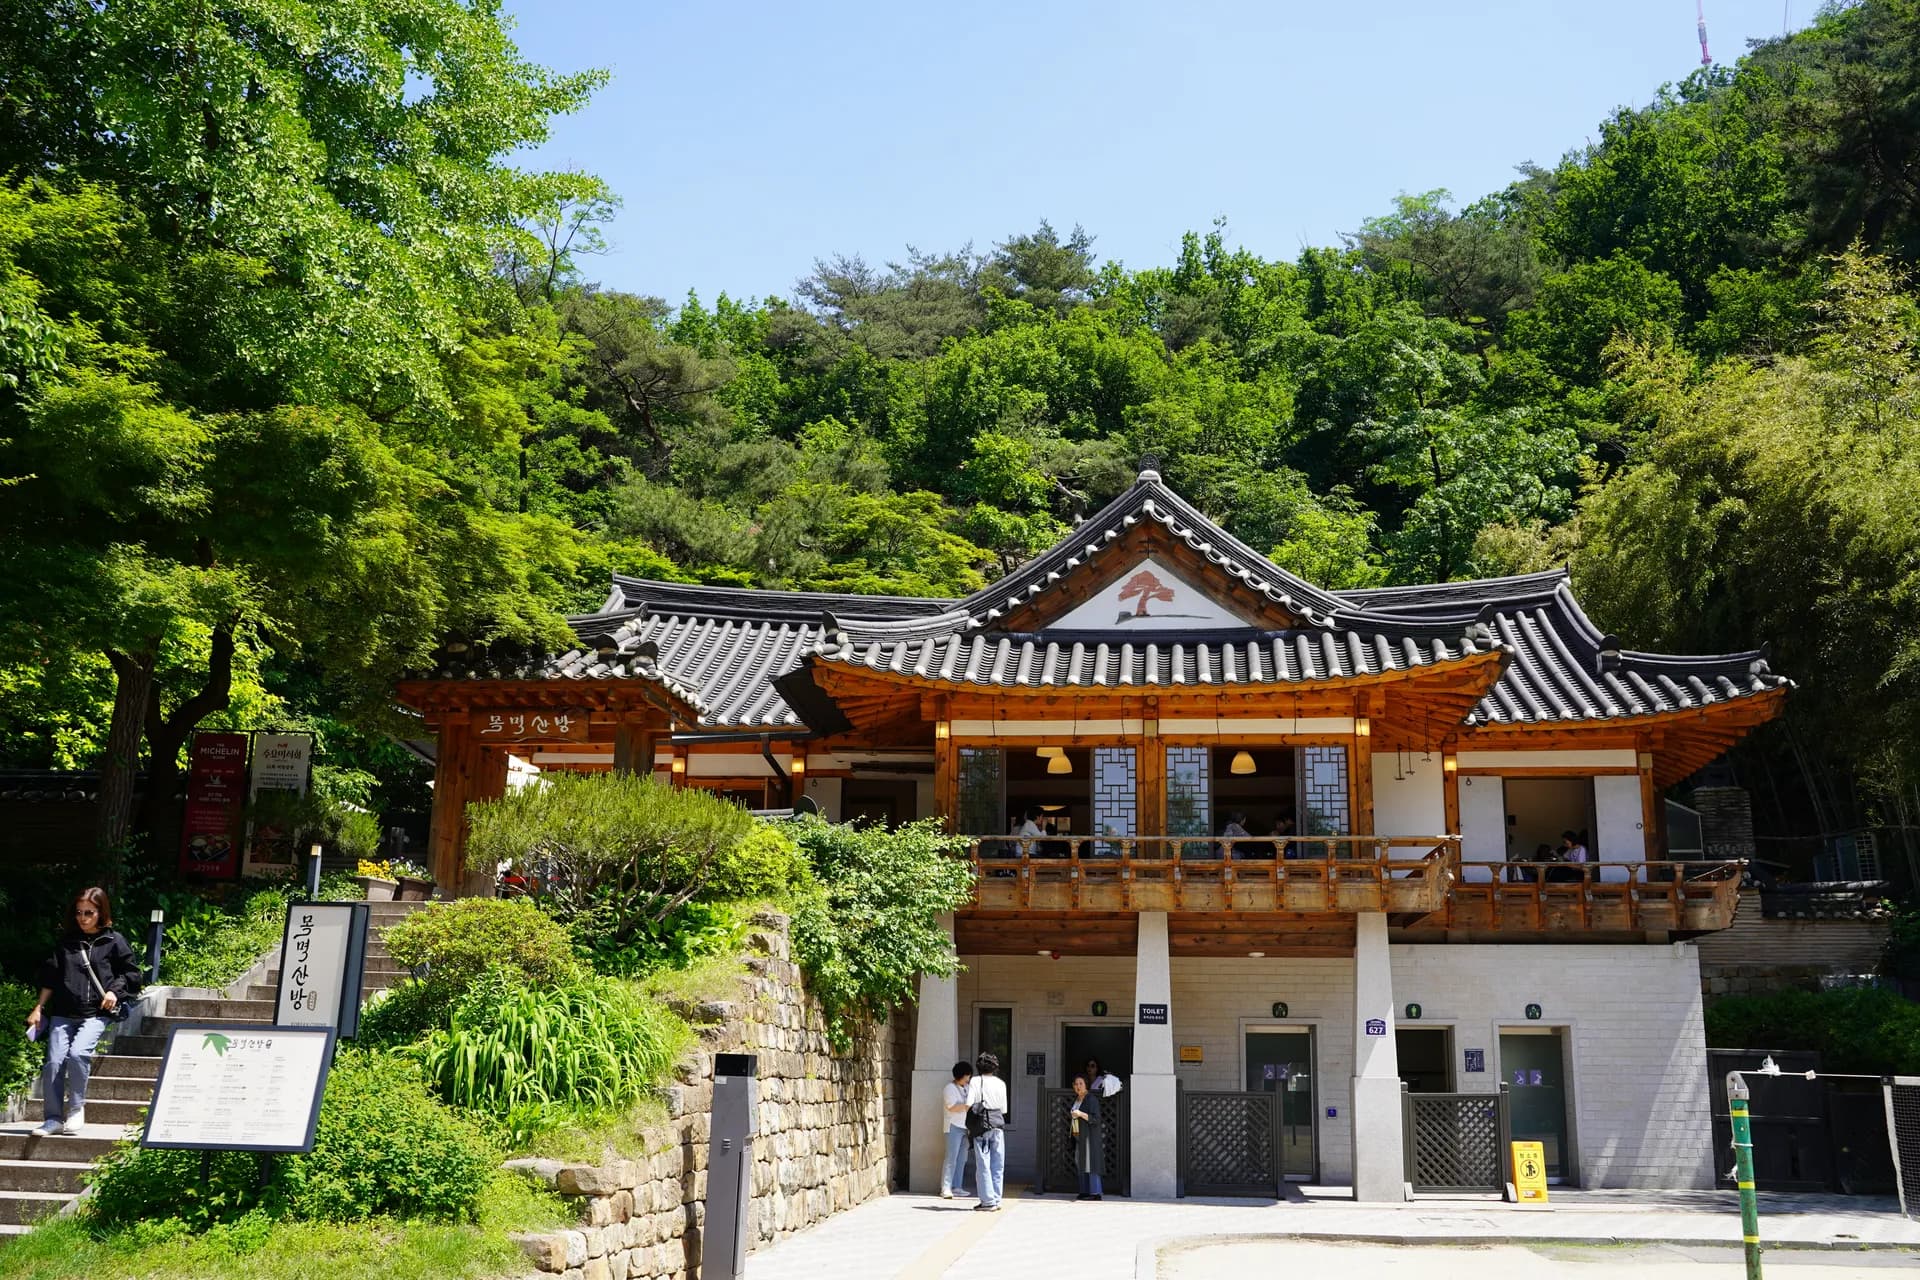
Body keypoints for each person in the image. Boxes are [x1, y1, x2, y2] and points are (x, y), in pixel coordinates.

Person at [27, 887, 140, 1135]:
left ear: (101, 913)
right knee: (54, 1062)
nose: (83, 917)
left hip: (96, 1013)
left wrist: (114, 991)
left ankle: (76, 1109)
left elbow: (131, 973)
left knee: (78, 1055)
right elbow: (50, 977)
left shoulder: (113, 941)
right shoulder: (67, 943)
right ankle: (53, 1119)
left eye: (89, 912)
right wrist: (39, 1008)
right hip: (63, 1013)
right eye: (79, 912)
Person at [966, 1052, 1008, 1211]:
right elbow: (1004, 1108)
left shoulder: (975, 1081)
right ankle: (997, 1199)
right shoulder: (1001, 1083)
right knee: (998, 1164)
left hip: (982, 1125)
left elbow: (969, 1102)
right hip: (998, 1124)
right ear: (995, 1067)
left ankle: (987, 1201)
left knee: (983, 1164)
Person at [1069, 1074, 1104, 1200]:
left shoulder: (1091, 1099)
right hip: (1078, 1137)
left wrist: (1080, 1114)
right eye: (1076, 1084)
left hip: (1089, 1136)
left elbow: (1095, 1119)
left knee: (1090, 1163)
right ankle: (1084, 1191)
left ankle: (1095, 1193)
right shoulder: (1077, 1099)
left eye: (1081, 1083)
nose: (1078, 1086)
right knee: (1080, 1163)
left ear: (1086, 1085)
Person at [941, 1061, 973, 1199]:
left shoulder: (967, 1088)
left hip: (965, 1127)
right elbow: (952, 1107)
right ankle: (946, 1187)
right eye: (968, 1075)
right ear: (962, 1075)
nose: (969, 1078)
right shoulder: (949, 1088)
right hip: (953, 1126)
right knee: (951, 1158)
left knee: (962, 1159)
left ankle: (957, 1186)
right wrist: (967, 1106)